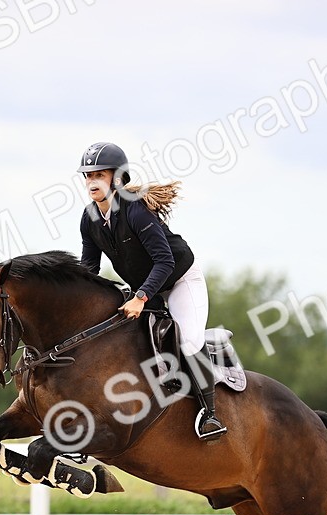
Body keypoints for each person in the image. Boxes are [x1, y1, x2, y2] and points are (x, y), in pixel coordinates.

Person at [76, 141, 227, 441]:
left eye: (99, 175)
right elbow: (88, 268)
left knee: (187, 342)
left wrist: (141, 297)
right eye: (88, 175)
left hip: (180, 281)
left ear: (117, 178)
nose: (91, 181)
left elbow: (165, 260)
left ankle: (210, 415)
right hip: (147, 290)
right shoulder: (90, 217)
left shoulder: (134, 210)